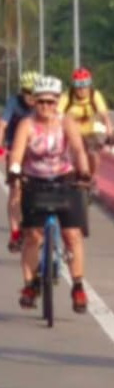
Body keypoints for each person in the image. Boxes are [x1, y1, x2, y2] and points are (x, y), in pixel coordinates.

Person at [6, 75, 91, 312]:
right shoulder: (26, 124)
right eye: (41, 101)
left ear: (57, 102)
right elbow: (17, 152)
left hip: (64, 180)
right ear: (34, 101)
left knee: (72, 235)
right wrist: (14, 171)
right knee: (33, 236)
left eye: (51, 102)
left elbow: (78, 149)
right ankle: (30, 285)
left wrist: (84, 172)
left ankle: (78, 286)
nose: (46, 107)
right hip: (35, 181)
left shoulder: (66, 123)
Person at [1, 70, 40, 253]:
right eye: (27, 92)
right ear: (21, 91)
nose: (31, 97)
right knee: (15, 191)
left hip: (36, 151)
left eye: (34, 92)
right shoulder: (13, 102)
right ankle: (15, 234)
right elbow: (2, 125)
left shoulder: (43, 105)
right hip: (14, 150)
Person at [58, 68, 114, 183]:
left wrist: (109, 129)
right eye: (78, 85)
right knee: (74, 155)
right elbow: (58, 114)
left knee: (93, 153)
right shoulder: (67, 97)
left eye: (85, 85)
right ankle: (76, 175)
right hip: (71, 134)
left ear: (89, 85)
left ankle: (92, 177)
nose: (81, 89)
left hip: (89, 131)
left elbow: (104, 114)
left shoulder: (94, 95)